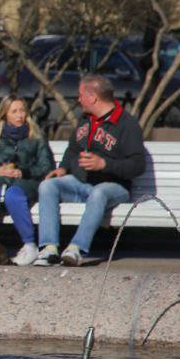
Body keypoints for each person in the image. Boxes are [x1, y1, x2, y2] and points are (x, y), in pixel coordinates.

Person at [34, 74, 146, 267]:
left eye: (81, 95)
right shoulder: (85, 119)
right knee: (48, 186)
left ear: (93, 97)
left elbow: (138, 165)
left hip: (114, 187)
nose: (78, 100)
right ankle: (49, 249)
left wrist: (105, 164)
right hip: (81, 183)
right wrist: (63, 167)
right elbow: (73, 149)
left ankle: (76, 249)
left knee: (99, 192)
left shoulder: (127, 124)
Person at [0, 94, 55, 265]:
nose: (19, 115)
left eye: (22, 110)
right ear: (4, 114)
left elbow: (47, 166)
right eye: (14, 111)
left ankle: (30, 245)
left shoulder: (36, 136)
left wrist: (23, 172)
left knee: (13, 196)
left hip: (25, 182)